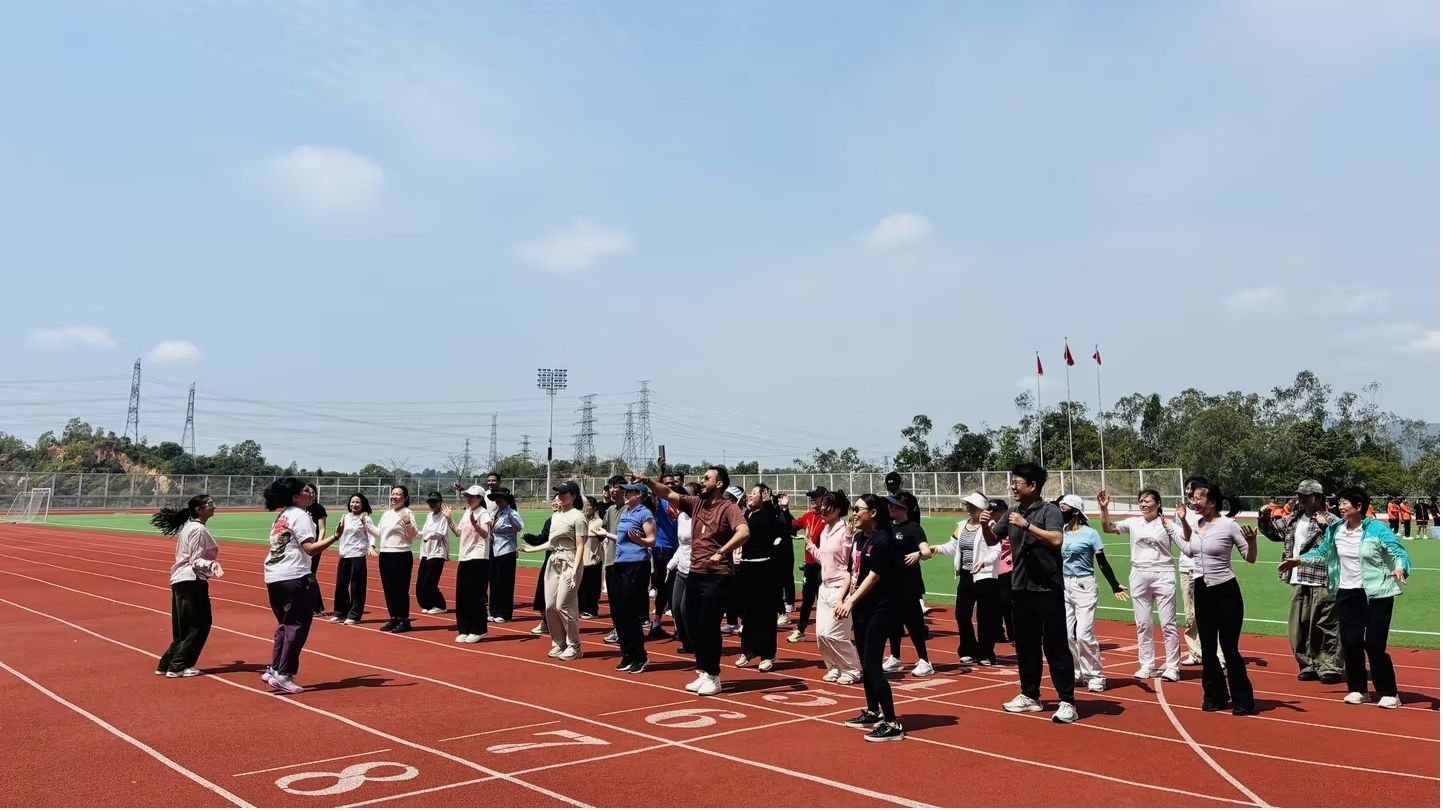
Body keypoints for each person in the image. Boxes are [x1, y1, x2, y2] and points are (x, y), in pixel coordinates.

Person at [1280, 486, 1410, 709]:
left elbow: (1399, 552)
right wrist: (1298, 560)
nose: (1340, 507)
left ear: (1358, 506)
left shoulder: (1377, 530)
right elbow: (1322, 553)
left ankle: (1389, 693)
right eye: (1339, 503)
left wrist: (1400, 568)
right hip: (1347, 592)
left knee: (1375, 645)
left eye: (1345, 503)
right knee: (1351, 643)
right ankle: (1358, 689)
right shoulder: (1336, 530)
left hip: (1377, 593)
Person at [633, 466, 750, 697]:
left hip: (717, 576)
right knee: (692, 623)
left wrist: (722, 551)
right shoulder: (696, 503)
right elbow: (667, 493)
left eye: (707, 478)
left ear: (719, 484)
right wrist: (647, 480)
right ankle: (704, 671)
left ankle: (714, 676)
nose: (702, 481)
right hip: (695, 573)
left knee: (708, 625)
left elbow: (744, 531)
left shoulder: (729, 508)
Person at [980, 463, 1076, 723]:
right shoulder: (1012, 512)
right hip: (1020, 587)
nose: (1013, 487)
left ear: (1032, 486)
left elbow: (1056, 540)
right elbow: (993, 540)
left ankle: (1067, 701)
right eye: (1012, 482)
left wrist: (1026, 526)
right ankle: (1030, 695)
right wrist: (986, 525)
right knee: (1026, 646)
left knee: (1055, 645)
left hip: (1048, 588)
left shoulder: (1049, 511)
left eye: (1017, 482)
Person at [1176, 478, 1260, 715]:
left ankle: (1243, 700)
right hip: (1202, 591)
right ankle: (1215, 695)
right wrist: (1173, 527)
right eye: (1193, 498)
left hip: (1226, 592)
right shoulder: (1197, 525)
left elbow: (1250, 557)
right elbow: (1190, 551)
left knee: (1229, 648)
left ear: (1212, 502)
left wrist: (1252, 543)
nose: (1194, 502)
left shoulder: (1228, 525)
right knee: (1208, 648)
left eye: (1198, 498)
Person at [835, 493, 913, 742]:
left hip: (881, 609)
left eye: (858, 509)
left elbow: (874, 576)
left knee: (872, 665)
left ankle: (892, 723)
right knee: (865, 665)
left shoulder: (884, 539)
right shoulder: (860, 537)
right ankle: (872, 710)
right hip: (862, 609)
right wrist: (842, 598)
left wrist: (850, 601)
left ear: (873, 512)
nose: (854, 514)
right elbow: (852, 572)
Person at [1257, 479, 1343, 684]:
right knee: (1299, 626)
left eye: (1306, 496)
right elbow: (1273, 533)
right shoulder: (1293, 518)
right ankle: (1307, 664)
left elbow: (1342, 541)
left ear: (1318, 498)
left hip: (1323, 577)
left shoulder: (1331, 519)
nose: (1301, 499)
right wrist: (1264, 517)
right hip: (1298, 576)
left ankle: (1329, 665)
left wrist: (1327, 526)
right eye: (1300, 495)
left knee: (1326, 624)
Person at [260, 476, 336, 694]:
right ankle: (285, 673)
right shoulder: (301, 516)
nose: (310, 492)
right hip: (295, 576)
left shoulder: (281, 516)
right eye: (305, 490)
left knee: (284, 625)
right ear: (295, 496)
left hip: (274, 576)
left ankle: (274, 669)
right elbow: (310, 548)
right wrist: (335, 537)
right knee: (297, 626)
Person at [1098, 489, 1182, 681]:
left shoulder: (1167, 524)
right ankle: (1146, 664)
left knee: (1168, 624)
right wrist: (1104, 509)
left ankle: (1172, 667)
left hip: (1163, 573)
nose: (1143, 504)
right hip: (1139, 574)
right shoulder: (1133, 522)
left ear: (1158, 503)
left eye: (1147, 501)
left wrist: (1183, 521)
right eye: (1140, 501)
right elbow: (1108, 528)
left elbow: (1185, 540)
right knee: (1143, 623)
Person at [922, 491, 1001, 666]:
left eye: (972, 506)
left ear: (982, 508)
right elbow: (953, 546)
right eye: (968, 506)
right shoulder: (961, 525)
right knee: (962, 614)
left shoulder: (992, 525)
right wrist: (938, 548)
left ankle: (986, 652)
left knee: (985, 617)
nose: (968, 509)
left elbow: (997, 550)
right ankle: (968, 649)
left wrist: (984, 562)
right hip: (966, 576)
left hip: (985, 577)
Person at [1057, 494, 1127, 692]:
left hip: (1084, 586)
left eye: (1064, 508)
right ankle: (1076, 673)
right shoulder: (1059, 531)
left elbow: (1102, 562)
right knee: (1067, 634)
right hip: (1065, 585)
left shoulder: (1090, 534)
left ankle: (1095, 675)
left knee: (1083, 634)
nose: (1060, 511)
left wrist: (1114, 585)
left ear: (1076, 511)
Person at [152, 494, 223, 678]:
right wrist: (212, 565)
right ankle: (179, 665)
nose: (214, 506)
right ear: (199, 510)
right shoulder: (198, 530)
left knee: (184, 627)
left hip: (181, 580)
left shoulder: (189, 527)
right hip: (191, 580)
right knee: (199, 624)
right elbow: (195, 559)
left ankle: (167, 663)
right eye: (209, 504)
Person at [520, 481, 590, 661]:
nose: (559, 496)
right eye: (558, 492)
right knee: (550, 606)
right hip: (554, 560)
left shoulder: (578, 517)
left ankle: (575, 645)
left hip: (570, 560)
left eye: (564, 493)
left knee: (564, 605)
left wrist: (575, 570)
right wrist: (532, 549)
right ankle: (559, 643)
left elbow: (581, 546)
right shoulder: (556, 517)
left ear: (573, 496)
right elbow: (552, 543)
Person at [807, 489, 861, 684]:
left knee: (835, 633)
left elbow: (848, 561)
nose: (822, 510)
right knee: (821, 634)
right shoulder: (825, 531)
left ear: (837, 510)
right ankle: (835, 667)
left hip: (841, 588)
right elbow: (824, 559)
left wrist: (848, 537)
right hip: (825, 587)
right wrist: (809, 545)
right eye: (822, 507)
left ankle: (852, 669)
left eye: (827, 507)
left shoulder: (845, 530)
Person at [737, 484, 791, 672]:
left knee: (765, 614)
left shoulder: (768, 517)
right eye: (749, 493)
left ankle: (768, 654)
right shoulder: (747, 515)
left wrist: (769, 506)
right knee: (747, 613)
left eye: (755, 493)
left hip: (764, 570)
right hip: (746, 567)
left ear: (764, 497)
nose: (750, 496)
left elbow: (781, 530)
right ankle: (747, 650)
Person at [882, 494, 934, 677]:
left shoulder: (913, 528)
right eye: (890, 505)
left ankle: (925, 661)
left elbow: (927, 551)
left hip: (909, 585)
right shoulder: (886, 528)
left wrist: (918, 555)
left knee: (914, 624)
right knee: (893, 624)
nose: (891, 508)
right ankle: (895, 658)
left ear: (905, 509)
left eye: (895, 506)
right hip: (891, 584)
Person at [612, 482, 658, 672]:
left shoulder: (644, 513)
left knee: (630, 609)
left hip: (637, 563)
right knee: (619, 610)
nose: (625, 494)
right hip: (620, 562)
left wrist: (640, 540)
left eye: (629, 492)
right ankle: (627, 653)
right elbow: (622, 538)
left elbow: (652, 540)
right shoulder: (626, 512)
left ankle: (640, 655)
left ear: (639, 494)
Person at [373, 485, 419, 633]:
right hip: (386, 554)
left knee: (400, 589)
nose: (394, 497)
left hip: (401, 554)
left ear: (405, 498)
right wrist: (365, 525)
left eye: (398, 494)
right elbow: (380, 532)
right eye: (392, 494)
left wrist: (407, 522)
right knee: (389, 589)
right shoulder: (387, 514)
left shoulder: (408, 513)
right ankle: (394, 618)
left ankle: (404, 620)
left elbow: (414, 534)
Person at [786, 486, 829, 644]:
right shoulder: (808, 516)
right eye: (811, 496)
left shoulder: (828, 519)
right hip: (810, 566)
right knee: (807, 600)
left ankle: (825, 631)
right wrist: (784, 509)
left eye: (815, 497)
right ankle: (800, 630)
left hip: (824, 566)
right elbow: (790, 525)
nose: (812, 499)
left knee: (824, 601)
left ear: (824, 499)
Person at [328, 493, 377, 625]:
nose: (354, 505)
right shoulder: (345, 517)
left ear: (362, 504)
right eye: (352, 502)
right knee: (341, 585)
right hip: (344, 554)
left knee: (357, 586)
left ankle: (354, 614)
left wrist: (371, 546)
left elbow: (371, 534)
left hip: (357, 555)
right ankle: (340, 612)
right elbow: (339, 533)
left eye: (357, 502)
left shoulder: (365, 518)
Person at [454, 486, 493, 644]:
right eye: (467, 496)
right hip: (464, 557)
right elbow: (458, 532)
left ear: (480, 498)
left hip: (478, 558)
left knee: (475, 595)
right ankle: (464, 628)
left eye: (472, 496)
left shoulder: (483, 513)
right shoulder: (467, 512)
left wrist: (476, 525)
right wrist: (448, 519)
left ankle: (479, 629)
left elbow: (485, 534)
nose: (469, 499)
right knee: (462, 595)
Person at [415, 491, 458, 615]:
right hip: (426, 552)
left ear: (440, 503)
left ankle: (440, 604)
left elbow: (439, 533)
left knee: (430, 581)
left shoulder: (444, 516)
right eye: (430, 502)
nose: (432, 504)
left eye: (435, 502)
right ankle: (428, 604)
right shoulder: (429, 516)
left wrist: (425, 536)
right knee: (421, 582)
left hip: (438, 553)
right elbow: (423, 532)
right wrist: (413, 534)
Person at [486, 487, 523, 623]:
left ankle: (504, 612)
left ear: (507, 500)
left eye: (500, 498)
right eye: (496, 498)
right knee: (494, 583)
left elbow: (519, 527)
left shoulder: (511, 513)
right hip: (494, 550)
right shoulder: (495, 513)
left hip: (507, 551)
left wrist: (511, 518)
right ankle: (494, 611)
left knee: (505, 583)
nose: (498, 500)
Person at [303, 483, 328, 617]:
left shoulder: (318, 509)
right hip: (301, 547)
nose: (310, 494)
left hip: (314, 546)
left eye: (312, 492)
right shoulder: (300, 508)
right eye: (307, 492)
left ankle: (316, 606)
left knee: (310, 575)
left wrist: (319, 544)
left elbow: (322, 528)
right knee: (304, 575)